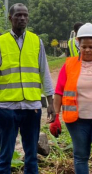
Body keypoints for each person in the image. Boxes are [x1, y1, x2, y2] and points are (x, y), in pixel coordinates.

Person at [0, 3, 55, 174]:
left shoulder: (36, 41)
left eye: (25, 15)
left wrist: (50, 102)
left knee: (31, 156)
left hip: (32, 107)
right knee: (6, 155)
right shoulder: (0, 43)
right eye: (18, 15)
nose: (22, 18)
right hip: (8, 107)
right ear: (10, 18)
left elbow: (44, 72)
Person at [50, 23, 92, 174]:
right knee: (81, 156)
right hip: (77, 121)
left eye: (91, 47)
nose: (87, 50)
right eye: (84, 46)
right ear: (78, 45)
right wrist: (56, 116)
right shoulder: (69, 65)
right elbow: (59, 91)